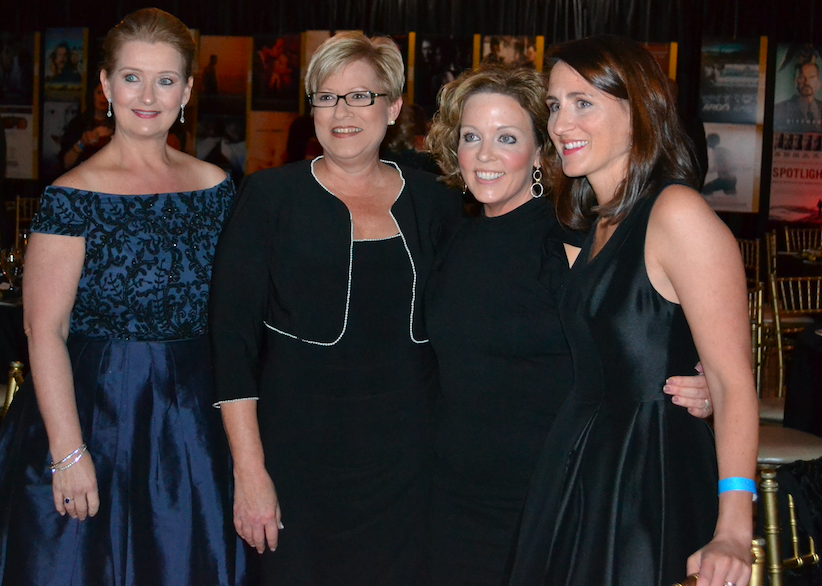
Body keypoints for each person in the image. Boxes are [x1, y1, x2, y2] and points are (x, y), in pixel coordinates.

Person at [423, 63, 716, 586]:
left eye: (506, 138)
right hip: (452, 501)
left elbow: (643, 335)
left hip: (546, 496)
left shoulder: (572, 240)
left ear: (541, 152)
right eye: (471, 137)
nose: (485, 155)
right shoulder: (450, 242)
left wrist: (700, 382)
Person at [0, 8, 248, 585]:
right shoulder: (72, 195)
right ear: (106, 85)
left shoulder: (216, 188)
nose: (148, 96)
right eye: (132, 77)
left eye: (166, 80)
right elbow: (44, 330)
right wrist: (68, 453)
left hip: (197, 418)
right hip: (95, 414)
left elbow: (237, 314)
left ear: (188, 90)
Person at [209, 31, 462, 585]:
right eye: (326, 97)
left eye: (360, 96)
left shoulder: (436, 200)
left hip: (410, 463)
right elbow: (231, 343)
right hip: (297, 457)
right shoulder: (268, 198)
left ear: (392, 107)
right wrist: (250, 473)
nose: (341, 111)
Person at [507, 35, 758, 586]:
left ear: (638, 110)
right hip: (584, 471)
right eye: (554, 105)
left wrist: (734, 531)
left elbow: (732, 382)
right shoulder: (596, 223)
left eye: (584, 103)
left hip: (649, 476)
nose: (561, 123)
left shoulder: (676, 213)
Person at [59, 83, 115, 170]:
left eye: (106, 93)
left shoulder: (120, 125)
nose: (103, 97)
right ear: (92, 96)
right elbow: (66, 163)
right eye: (99, 93)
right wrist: (82, 142)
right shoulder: (78, 124)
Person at [774, 58, 822, 132]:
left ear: (818, 82)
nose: (807, 82)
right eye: (802, 77)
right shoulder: (779, 110)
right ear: (795, 81)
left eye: (812, 77)